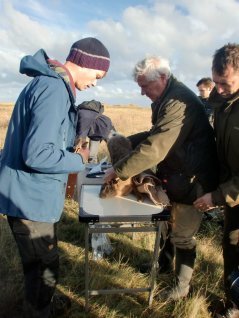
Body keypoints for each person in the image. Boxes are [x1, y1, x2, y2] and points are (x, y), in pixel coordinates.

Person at [0, 37, 110, 318]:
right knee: (43, 268)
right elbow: (37, 154)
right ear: (85, 63)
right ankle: (40, 311)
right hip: (30, 201)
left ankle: (42, 305)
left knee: (39, 264)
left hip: (30, 197)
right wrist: (79, 160)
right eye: (97, 75)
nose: (96, 83)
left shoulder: (50, 84)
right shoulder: (53, 89)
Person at [104, 55, 219, 300]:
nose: (143, 93)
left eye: (145, 86)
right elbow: (155, 133)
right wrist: (127, 141)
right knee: (166, 225)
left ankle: (181, 288)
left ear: (163, 77)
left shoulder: (178, 101)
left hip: (192, 181)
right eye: (140, 87)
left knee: (183, 236)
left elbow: (157, 146)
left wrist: (119, 170)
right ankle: (163, 266)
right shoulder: (165, 97)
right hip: (175, 176)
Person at [194, 43, 239, 313]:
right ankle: (233, 302)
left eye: (226, 83)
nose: (218, 89)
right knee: (231, 245)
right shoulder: (221, 103)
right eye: (216, 82)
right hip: (232, 196)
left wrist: (217, 196)